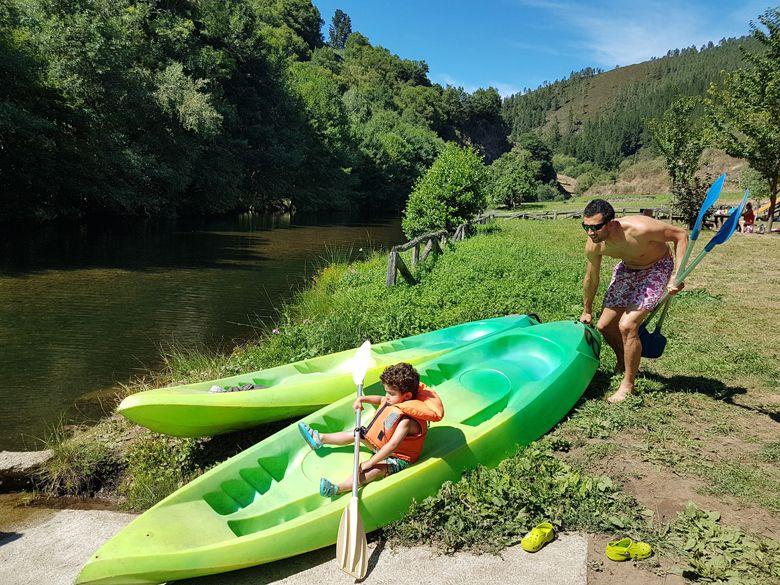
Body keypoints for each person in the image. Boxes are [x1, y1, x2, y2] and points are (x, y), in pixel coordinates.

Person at [579, 200, 688, 403]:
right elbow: (591, 278)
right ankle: (624, 361)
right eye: (586, 226)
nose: (590, 232)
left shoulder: (640, 229)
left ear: (612, 223)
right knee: (604, 325)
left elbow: (680, 235)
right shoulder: (594, 245)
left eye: (595, 227)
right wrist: (587, 309)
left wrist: (677, 274)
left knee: (627, 326)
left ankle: (628, 384)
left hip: (657, 266)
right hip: (627, 269)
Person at [298, 362, 443, 496]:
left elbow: (392, 446)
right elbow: (381, 400)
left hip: (397, 457)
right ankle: (319, 439)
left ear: (407, 396)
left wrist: (371, 462)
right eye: (386, 391)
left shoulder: (406, 421)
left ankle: (338, 488)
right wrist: (362, 399)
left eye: (391, 394)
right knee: (358, 433)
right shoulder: (395, 400)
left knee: (374, 471)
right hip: (380, 445)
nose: (387, 396)